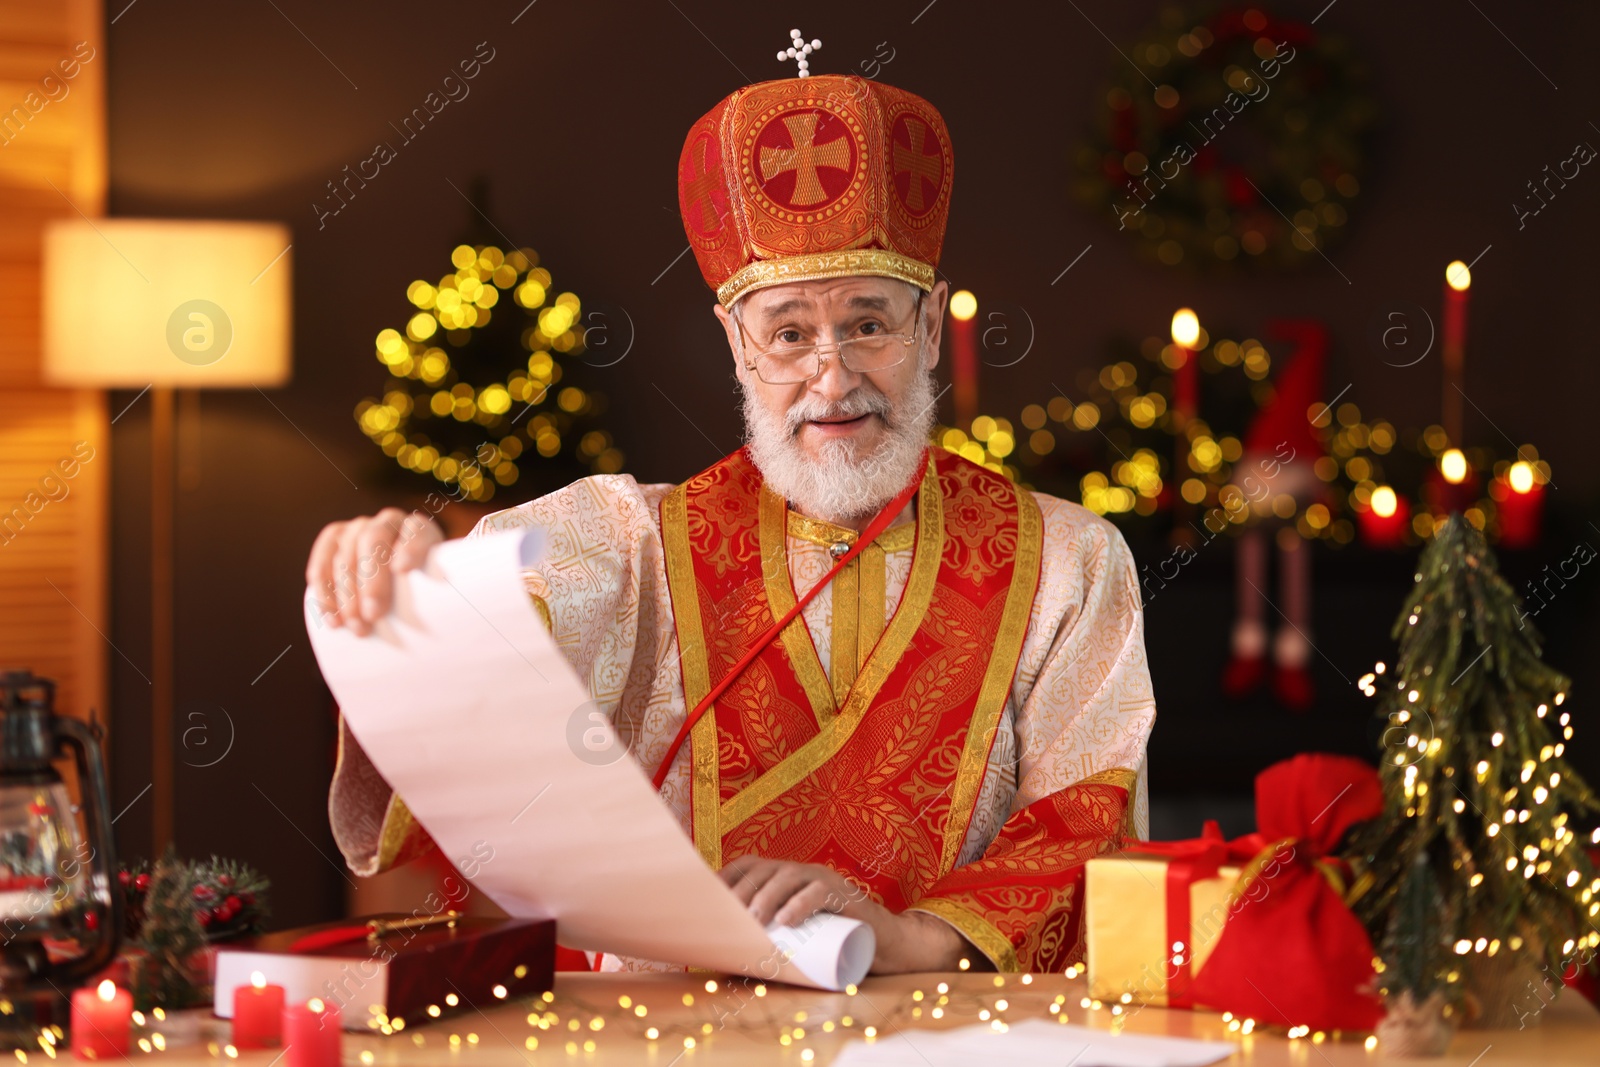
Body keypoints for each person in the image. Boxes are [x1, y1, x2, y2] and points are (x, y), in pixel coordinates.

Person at [309, 71, 1156, 976]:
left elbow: (1082, 825)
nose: (832, 379)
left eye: (868, 323)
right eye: (789, 334)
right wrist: (407, 578)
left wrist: (904, 939)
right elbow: (483, 617)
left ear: (929, 322)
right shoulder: (634, 541)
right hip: (674, 1031)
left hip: (944, 1029)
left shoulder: (1070, 558)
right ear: (733, 340)